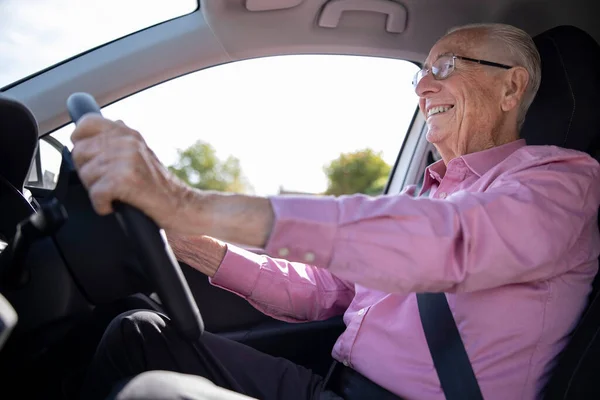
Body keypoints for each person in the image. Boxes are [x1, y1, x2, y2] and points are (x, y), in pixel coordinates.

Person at [73, 23, 600, 400]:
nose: (422, 86)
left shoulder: (560, 182)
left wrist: (190, 202)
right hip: (331, 384)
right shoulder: (419, 199)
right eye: (419, 73)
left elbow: (452, 243)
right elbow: (322, 288)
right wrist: (185, 238)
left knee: (157, 393)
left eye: (445, 66)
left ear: (511, 87)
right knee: (138, 333)